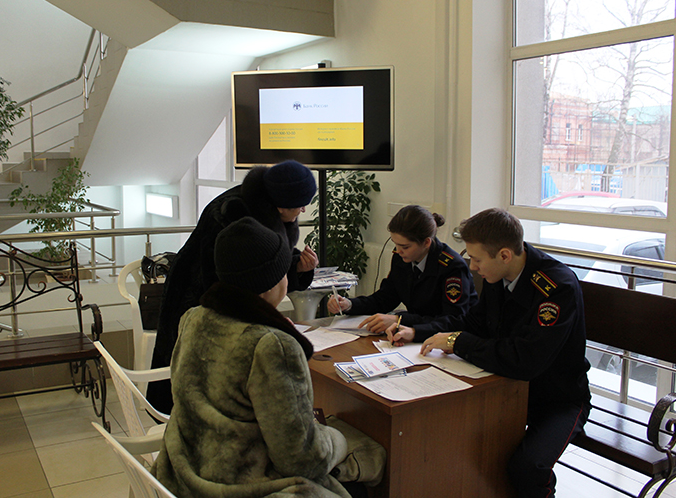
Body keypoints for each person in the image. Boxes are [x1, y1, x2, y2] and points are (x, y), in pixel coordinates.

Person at [388, 208, 590, 497]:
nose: (472, 267)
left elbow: (524, 360)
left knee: (527, 467)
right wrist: (418, 331)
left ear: (504, 255)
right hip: (505, 388)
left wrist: (458, 342)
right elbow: (473, 322)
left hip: (556, 398)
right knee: (453, 439)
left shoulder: (555, 289)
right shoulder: (500, 274)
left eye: (477, 259)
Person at [151, 217, 353, 498]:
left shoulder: (193, 318)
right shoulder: (271, 346)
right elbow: (301, 459)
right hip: (240, 484)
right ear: (269, 284)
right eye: (283, 272)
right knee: (365, 451)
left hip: (183, 473)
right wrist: (340, 440)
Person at [148, 160, 319, 414]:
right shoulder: (231, 213)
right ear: (282, 205)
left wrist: (297, 267)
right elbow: (229, 286)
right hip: (198, 298)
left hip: (219, 305)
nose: (304, 210)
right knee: (199, 391)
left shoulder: (266, 205)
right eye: (301, 204)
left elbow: (265, 266)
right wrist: (271, 324)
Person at [327, 205, 477, 337]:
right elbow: (386, 298)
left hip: (449, 341)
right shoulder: (402, 257)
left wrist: (400, 320)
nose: (398, 251)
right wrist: (349, 304)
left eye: (405, 247)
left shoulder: (452, 266)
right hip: (415, 335)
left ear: (426, 242)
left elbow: (453, 320)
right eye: (395, 244)